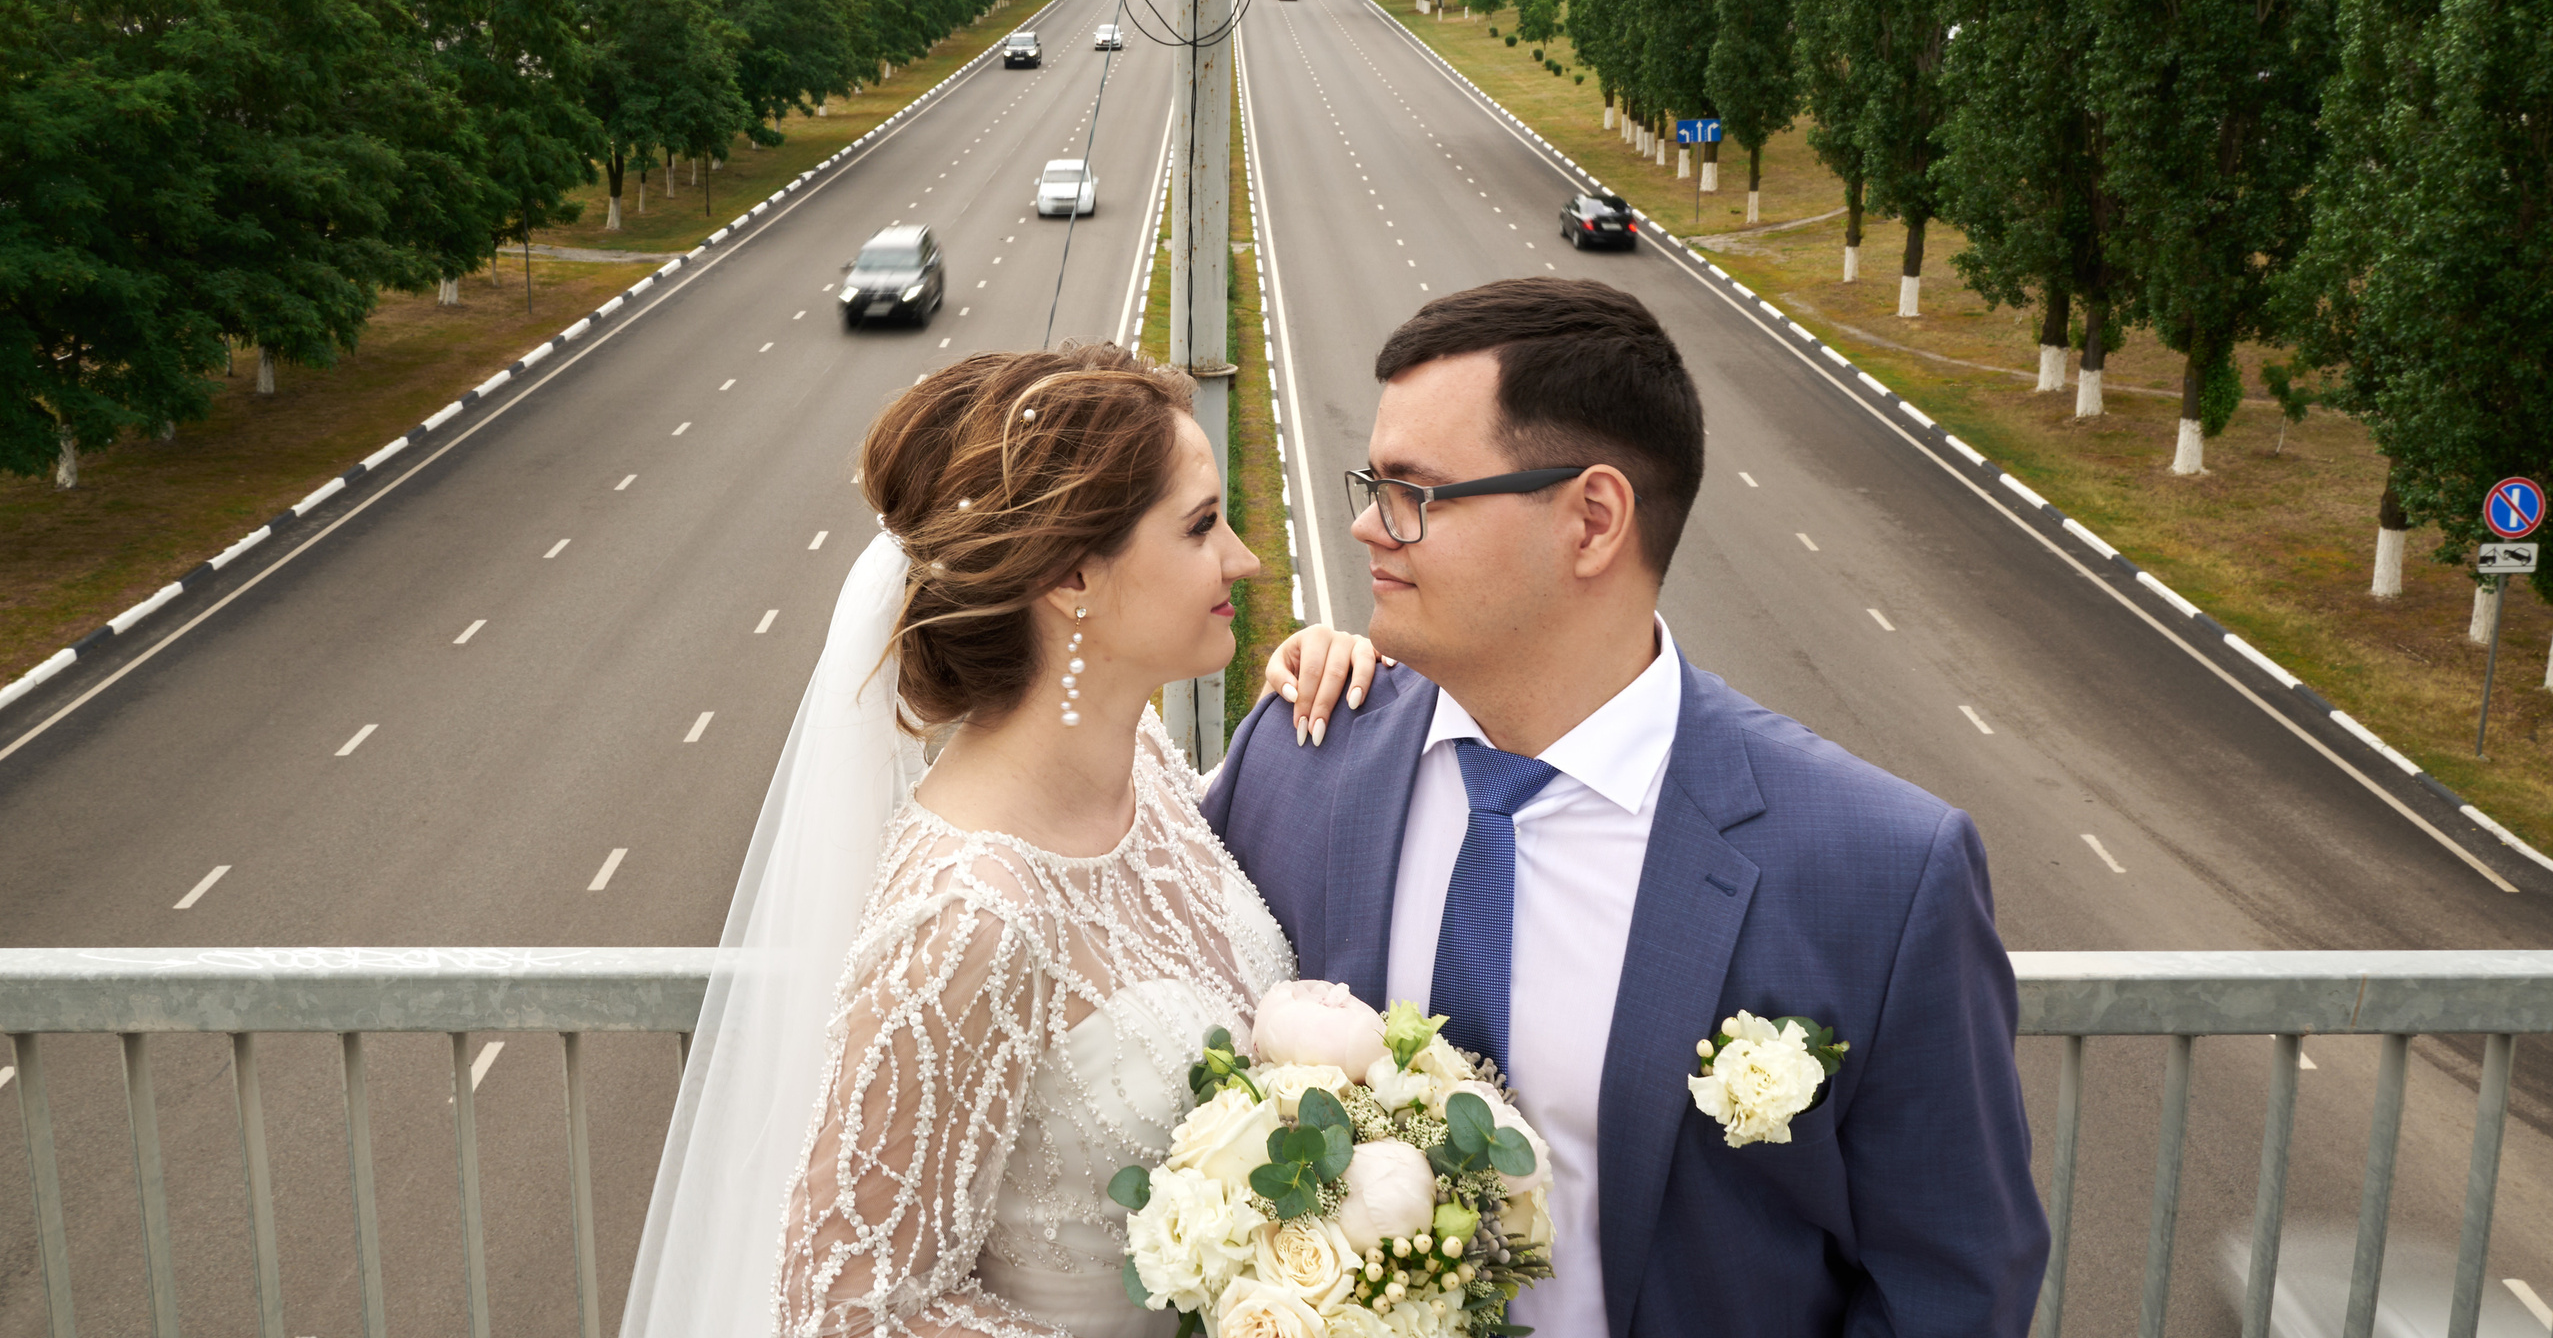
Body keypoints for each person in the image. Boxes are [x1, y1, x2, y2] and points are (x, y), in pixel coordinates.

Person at [1207, 277, 2050, 1336]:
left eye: (1411, 491)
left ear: (1593, 520)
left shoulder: (1877, 872)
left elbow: (1951, 1284)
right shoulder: (1299, 764)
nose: (1367, 526)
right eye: (1371, 483)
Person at [620, 344, 1317, 1338]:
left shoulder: (1151, 770)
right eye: (1203, 524)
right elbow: (847, 1307)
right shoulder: (968, 914)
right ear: (1074, 574)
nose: (1243, 558)